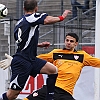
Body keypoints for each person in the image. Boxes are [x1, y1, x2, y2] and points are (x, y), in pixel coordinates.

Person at [0, 0, 71, 100]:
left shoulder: (20, 22)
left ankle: (50, 98)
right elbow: (46, 20)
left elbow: (23, 42)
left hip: (31, 59)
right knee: (12, 95)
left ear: (24, 8)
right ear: (36, 8)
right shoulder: (31, 18)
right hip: (22, 62)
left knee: (53, 70)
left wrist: (38, 45)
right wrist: (62, 17)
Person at [1, 33, 100, 100]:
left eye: (71, 41)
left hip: (66, 93)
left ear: (76, 43)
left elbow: (98, 62)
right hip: (50, 88)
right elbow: (34, 59)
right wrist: (15, 60)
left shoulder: (82, 56)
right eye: (67, 40)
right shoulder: (56, 53)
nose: (69, 42)